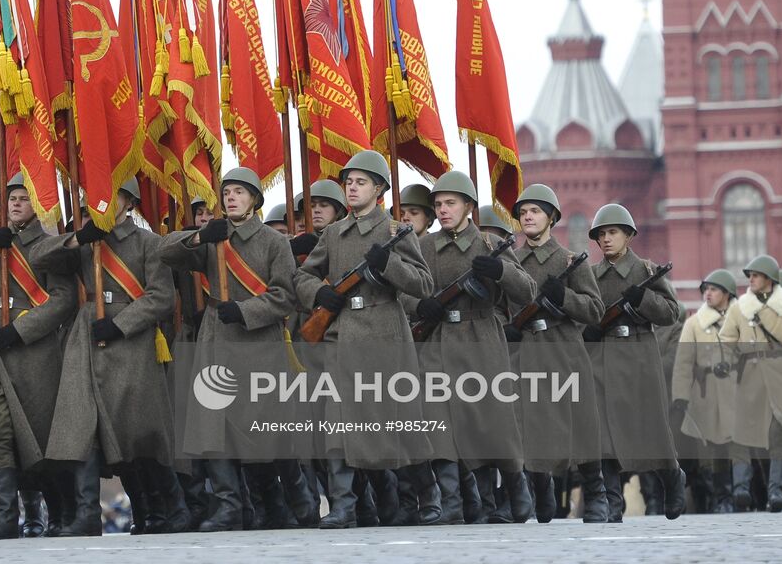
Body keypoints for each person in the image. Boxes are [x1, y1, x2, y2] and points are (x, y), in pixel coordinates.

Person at [35, 177, 182, 536]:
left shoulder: (148, 243)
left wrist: (121, 325)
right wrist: (76, 239)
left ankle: (159, 511)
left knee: (136, 435)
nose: (99, 198)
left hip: (129, 343)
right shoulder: (84, 241)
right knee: (81, 427)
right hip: (85, 337)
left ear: (129, 203)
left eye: (111, 193)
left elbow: (161, 296)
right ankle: (86, 515)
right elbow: (39, 256)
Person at [294, 150, 433, 528]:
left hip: (384, 335)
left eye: (361, 182)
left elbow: (423, 284)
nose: (352, 188)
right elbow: (304, 275)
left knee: (393, 423)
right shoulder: (334, 233)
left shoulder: (395, 232)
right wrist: (318, 295)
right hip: (342, 334)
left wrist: (389, 263)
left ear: (380, 189)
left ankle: (418, 497)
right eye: (349, 182)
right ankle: (342, 505)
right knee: (338, 423)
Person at [159, 167, 297, 532]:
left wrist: (247, 310)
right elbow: (166, 253)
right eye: (227, 192)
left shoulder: (273, 242)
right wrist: (199, 236)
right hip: (214, 344)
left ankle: (270, 503)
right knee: (213, 428)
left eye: (240, 191)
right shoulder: (212, 238)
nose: (231, 197)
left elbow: (285, 296)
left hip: (257, 346)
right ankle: (227, 507)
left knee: (257, 433)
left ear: (255, 199)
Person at [0, 173, 78, 539]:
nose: (17, 204)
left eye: (24, 198)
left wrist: (22, 329)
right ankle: (6, 516)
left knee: (39, 436)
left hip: (32, 350)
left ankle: (58, 512)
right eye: (13, 199)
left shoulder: (49, 245)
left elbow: (63, 298)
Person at [412, 170, 535, 524]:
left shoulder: (488, 245)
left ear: (468, 206)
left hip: (482, 337)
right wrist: (420, 306)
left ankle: (515, 488)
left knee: (492, 422)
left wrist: (500, 271)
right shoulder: (424, 247)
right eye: (438, 204)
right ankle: (451, 502)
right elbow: (404, 292)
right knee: (440, 422)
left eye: (451, 203)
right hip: (438, 341)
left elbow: (526, 290)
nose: (444, 210)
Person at [506, 184, 609, 523]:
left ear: (551, 217)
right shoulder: (513, 261)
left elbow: (595, 310)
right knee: (530, 423)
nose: (527, 218)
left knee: (581, 423)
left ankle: (596, 496)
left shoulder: (570, 260)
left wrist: (564, 298)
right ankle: (541, 490)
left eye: (534, 211)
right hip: (527, 350)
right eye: (523, 213)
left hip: (564, 349)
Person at [582, 203, 687, 522]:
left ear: (628, 235)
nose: (606, 239)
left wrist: (642, 299)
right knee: (605, 433)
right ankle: (612, 501)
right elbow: (584, 312)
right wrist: (590, 327)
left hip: (639, 353)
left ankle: (672, 477)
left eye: (612, 232)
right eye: (601, 235)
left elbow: (671, 312)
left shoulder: (645, 271)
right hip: (603, 357)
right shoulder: (592, 274)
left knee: (652, 426)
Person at [720, 253, 782, 513]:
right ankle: (740, 489)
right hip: (749, 375)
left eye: (755, 275)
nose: (750, 280)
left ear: (769, 278)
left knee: (779, 432)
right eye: (749, 276)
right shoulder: (739, 307)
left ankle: (777, 491)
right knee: (741, 433)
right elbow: (725, 340)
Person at [671, 268, 741, 513]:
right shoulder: (694, 324)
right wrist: (680, 396)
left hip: (738, 391)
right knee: (714, 449)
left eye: (713, 290)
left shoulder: (743, 320)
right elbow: (683, 363)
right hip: (706, 393)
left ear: (727, 293)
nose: (707, 294)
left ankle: (743, 493)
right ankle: (721, 498)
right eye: (706, 290)